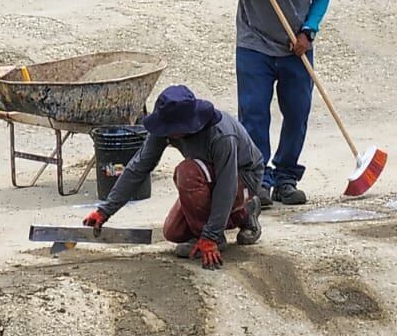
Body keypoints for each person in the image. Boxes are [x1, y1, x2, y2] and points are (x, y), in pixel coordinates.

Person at [214, 0, 333, 207]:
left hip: (297, 46)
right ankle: (258, 180)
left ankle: (286, 178)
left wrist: (309, 30)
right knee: (253, 113)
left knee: (297, 112)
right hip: (254, 43)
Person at [85, 86, 263, 269]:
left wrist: (210, 237)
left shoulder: (221, 135)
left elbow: (227, 186)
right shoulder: (166, 128)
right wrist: (105, 210)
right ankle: (238, 216)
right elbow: (138, 168)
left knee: (187, 173)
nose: (169, 134)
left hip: (244, 177)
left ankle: (239, 215)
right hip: (209, 175)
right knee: (173, 232)